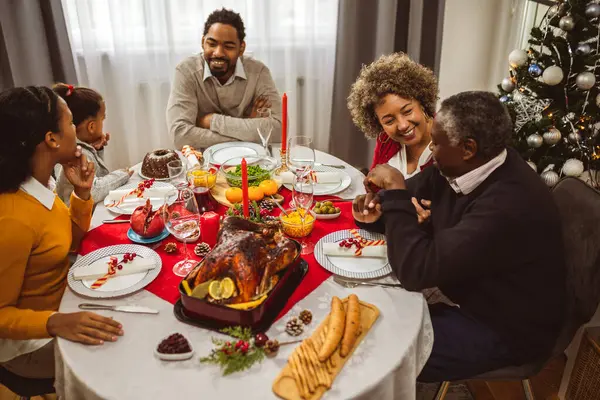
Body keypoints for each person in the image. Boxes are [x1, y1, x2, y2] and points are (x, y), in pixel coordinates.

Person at [353, 91, 565, 382]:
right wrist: (379, 213)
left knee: (374, 350)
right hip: (465, 290)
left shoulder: (507, 205)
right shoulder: (471, 162)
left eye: (437, 143)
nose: (431, 148)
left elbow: (416, 271)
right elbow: (414, 191)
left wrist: (395, 192)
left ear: (468, 148)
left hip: (502, 326)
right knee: (362, 307)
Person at [0, 87, 124, 379]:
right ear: (51, 139)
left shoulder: (41, 184)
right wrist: (56, 322)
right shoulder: (12, 216)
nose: (76, 130)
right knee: (125, 352)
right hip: (30, 344)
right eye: (70, 123)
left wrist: (82, 194)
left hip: (65, 301)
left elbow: (67, 243)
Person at [167, 8, 282, 149]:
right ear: (203, 42)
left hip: (251, 158)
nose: (218, 53)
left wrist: (211, 121)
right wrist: (248, 128)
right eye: (212, 44)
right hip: (202, 163)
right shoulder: (186, 71)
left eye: (228, 46)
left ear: (241, 48)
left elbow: (278, 130)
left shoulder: (259, 72)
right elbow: (180, 136)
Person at [347, 52, 438, 176]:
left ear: (421, 101)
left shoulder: (447, 143)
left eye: (407, 111)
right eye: (389, 121)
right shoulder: (385, 138)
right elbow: (374, 185)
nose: (402, 125)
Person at [53, 83, 133, 205]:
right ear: (91, 126)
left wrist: (97, 150)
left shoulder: (81, 148)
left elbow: (95, 173)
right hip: (80, 219)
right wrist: (122, 175)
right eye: (102, 119)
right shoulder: (72, 155)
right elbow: (94, 190)